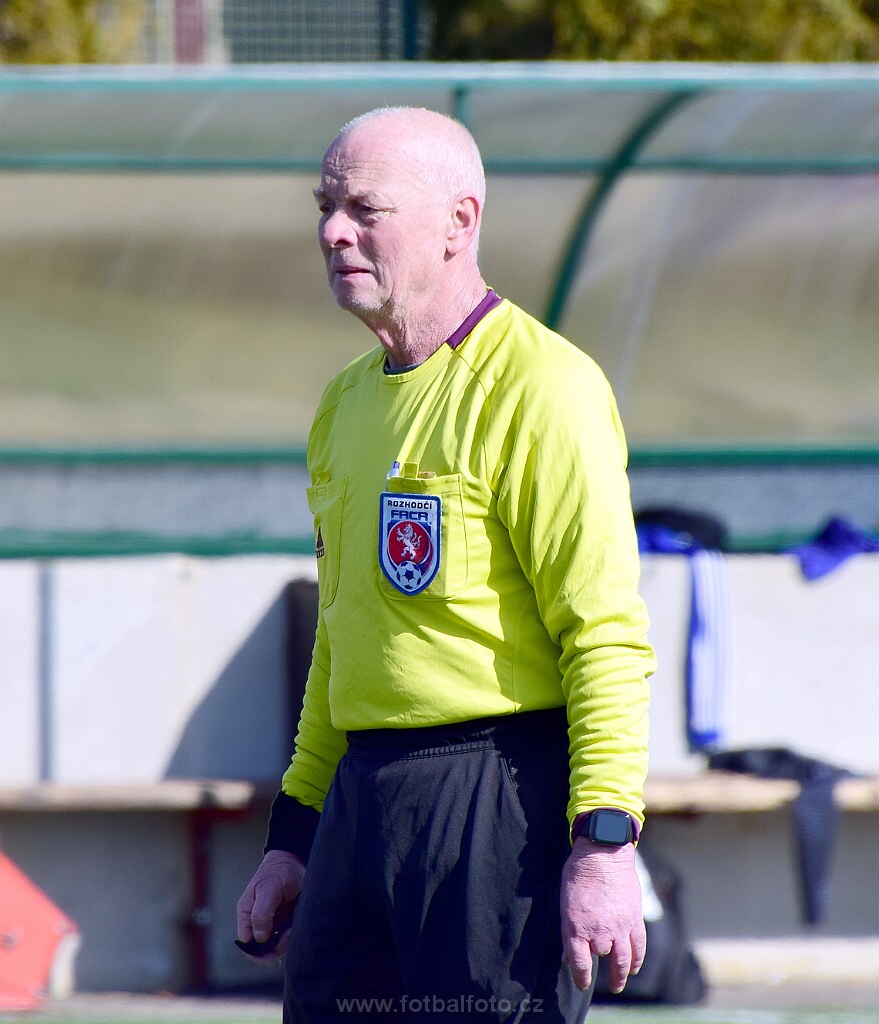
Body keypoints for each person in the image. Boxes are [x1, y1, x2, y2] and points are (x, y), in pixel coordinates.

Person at [237, 106, 655, 1024]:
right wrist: (294, 836)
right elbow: (342, 639)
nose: (333, 231)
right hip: (359, 803)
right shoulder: (342, 406)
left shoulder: (544, 387)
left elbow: (605, 636)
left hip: (497, 797)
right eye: (325, 206)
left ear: (459, 221)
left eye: (365, 209)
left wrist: (604, 843)